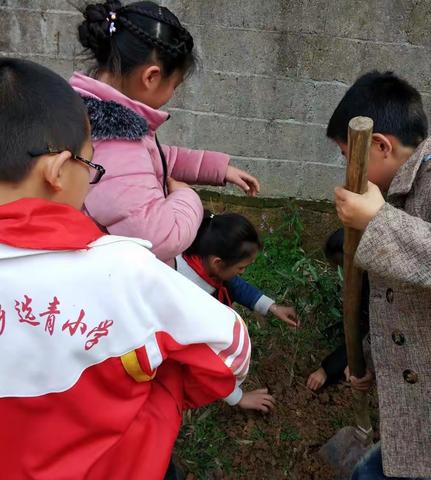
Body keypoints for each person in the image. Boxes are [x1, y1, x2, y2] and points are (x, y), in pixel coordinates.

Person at [0, 58, 250, 480]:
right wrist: (162, 398)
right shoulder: (123, 269)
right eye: (91, 165)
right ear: (58, 171)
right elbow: (231, 348)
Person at [329, 70, 431, 479]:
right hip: (430, 403)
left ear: (379, 146)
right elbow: (403, 301)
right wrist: (372, 358)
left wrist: (380, 222)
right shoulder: (400, 191)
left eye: (348, 159)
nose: (346, 172)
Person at [70, 0, 260, 265]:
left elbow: (150, 160)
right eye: (175, 85)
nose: (172, 95)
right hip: (120, 282)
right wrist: (187, 198)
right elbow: (160, 238)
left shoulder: (103, 120)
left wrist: (217, 169)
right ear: (151, 77)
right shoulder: (116, 144)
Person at [176, 211, 300, 412]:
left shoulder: (198, 255)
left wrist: (272, 307)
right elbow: (201, 361)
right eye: (241, 268)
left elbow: (231, 283)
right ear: (218, 262)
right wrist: (238, 397)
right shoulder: (190, 300)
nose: (242, 273)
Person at [307, 228, 370, 391]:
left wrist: (329, 368)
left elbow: (368, 330)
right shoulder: (364, 280)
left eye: (341, 266)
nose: (341, 272)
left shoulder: (376, 291)